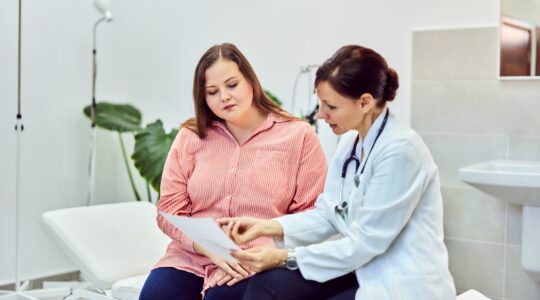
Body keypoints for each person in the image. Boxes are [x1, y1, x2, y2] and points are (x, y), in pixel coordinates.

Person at [219, 45, 456, 300]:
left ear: (365, 102)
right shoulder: (350, 143)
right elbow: (328, 215)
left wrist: (282, 257)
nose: (321, 114)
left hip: (398, 279)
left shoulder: (401, 151)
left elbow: (366, 242)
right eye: (320, 103)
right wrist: (266, 227)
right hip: (361, 266)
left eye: (330, 105)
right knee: (269, 285)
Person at [139, 43, 327, 300]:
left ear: (250, 81)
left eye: (232, 85)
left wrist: (268, 256)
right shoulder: (190, 136)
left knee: (222, 298)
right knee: (157, 294)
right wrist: (205, 246)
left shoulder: (298, 135)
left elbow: (311, 214)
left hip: (255, 259)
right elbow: (169, 210)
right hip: (192, 255)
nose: (224, 97)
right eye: (212, 91)